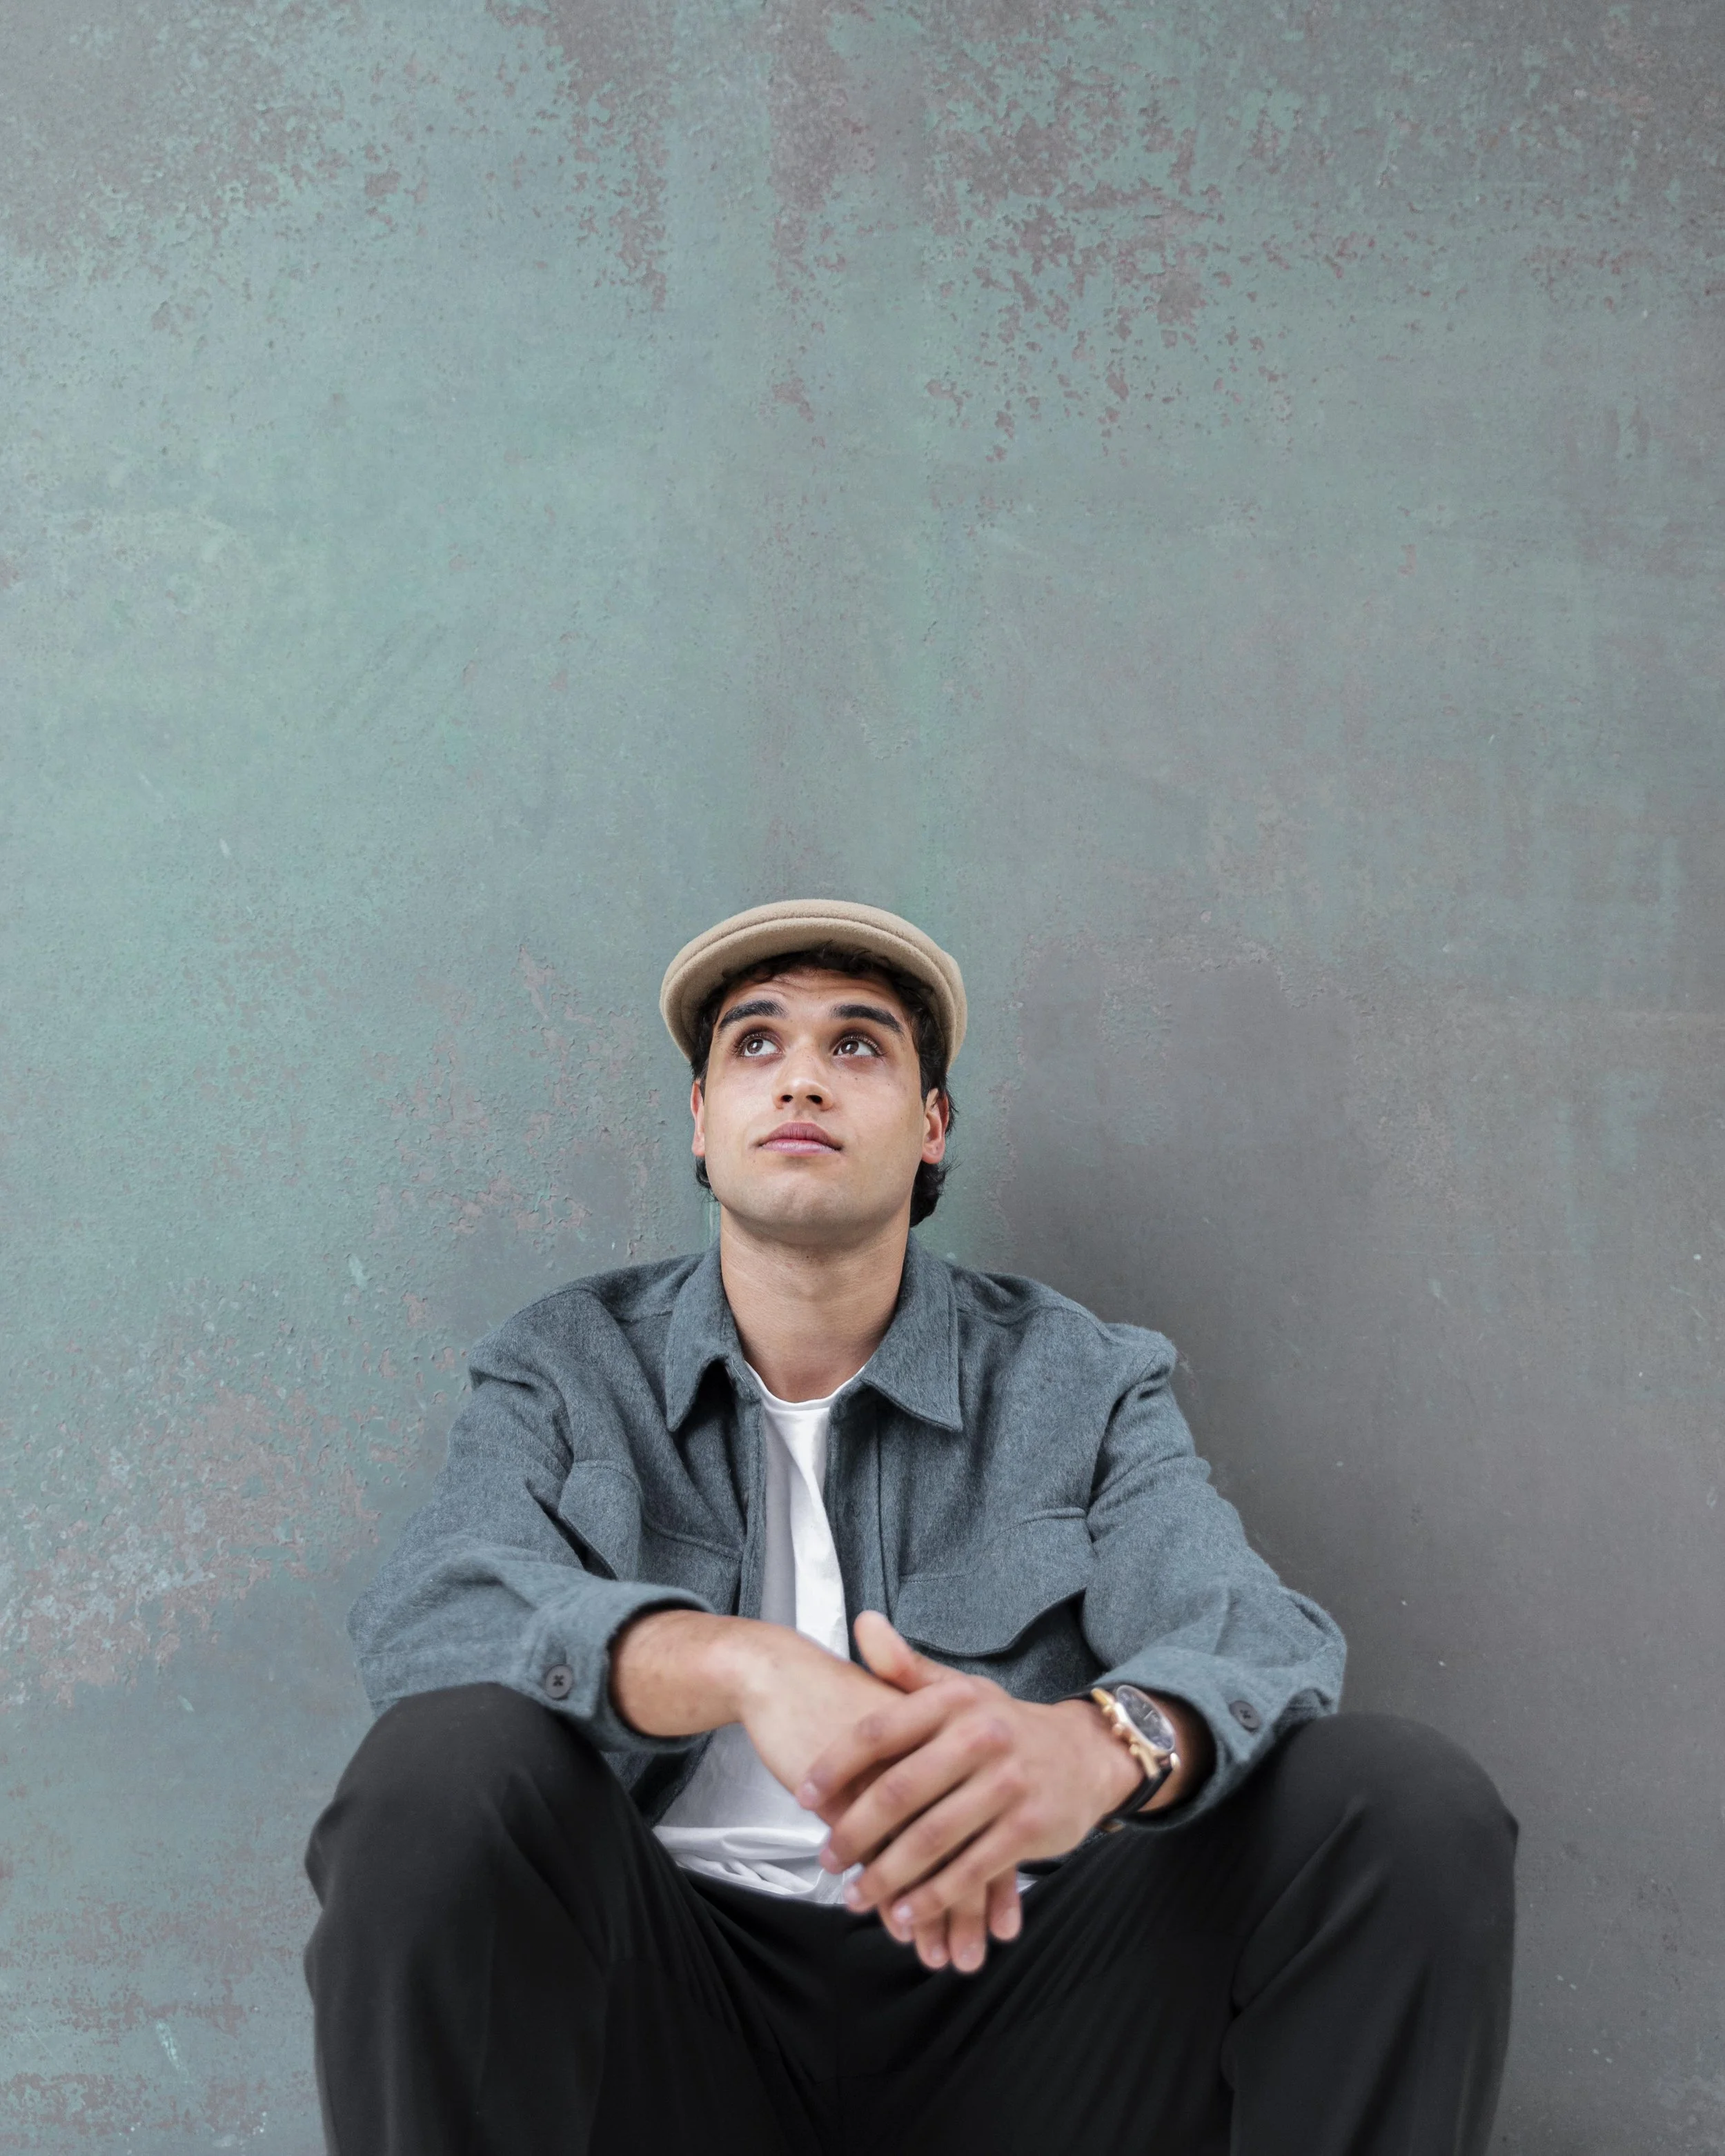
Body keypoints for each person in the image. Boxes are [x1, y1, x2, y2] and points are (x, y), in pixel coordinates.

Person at [302, 898, 1517, 2156]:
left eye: (861, 1047)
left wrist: (1102, 1748)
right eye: (757, 1046)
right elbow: (430, 1614)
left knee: (1400, 1802)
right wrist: (737, 1662)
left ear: (932, 1129)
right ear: (703, 1127)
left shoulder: (1077, 1378)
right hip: (668, 2016)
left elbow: (1253, 1633)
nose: (805, 1082)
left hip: (1021, 2013)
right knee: (438, 1775)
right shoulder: (565, 1365)